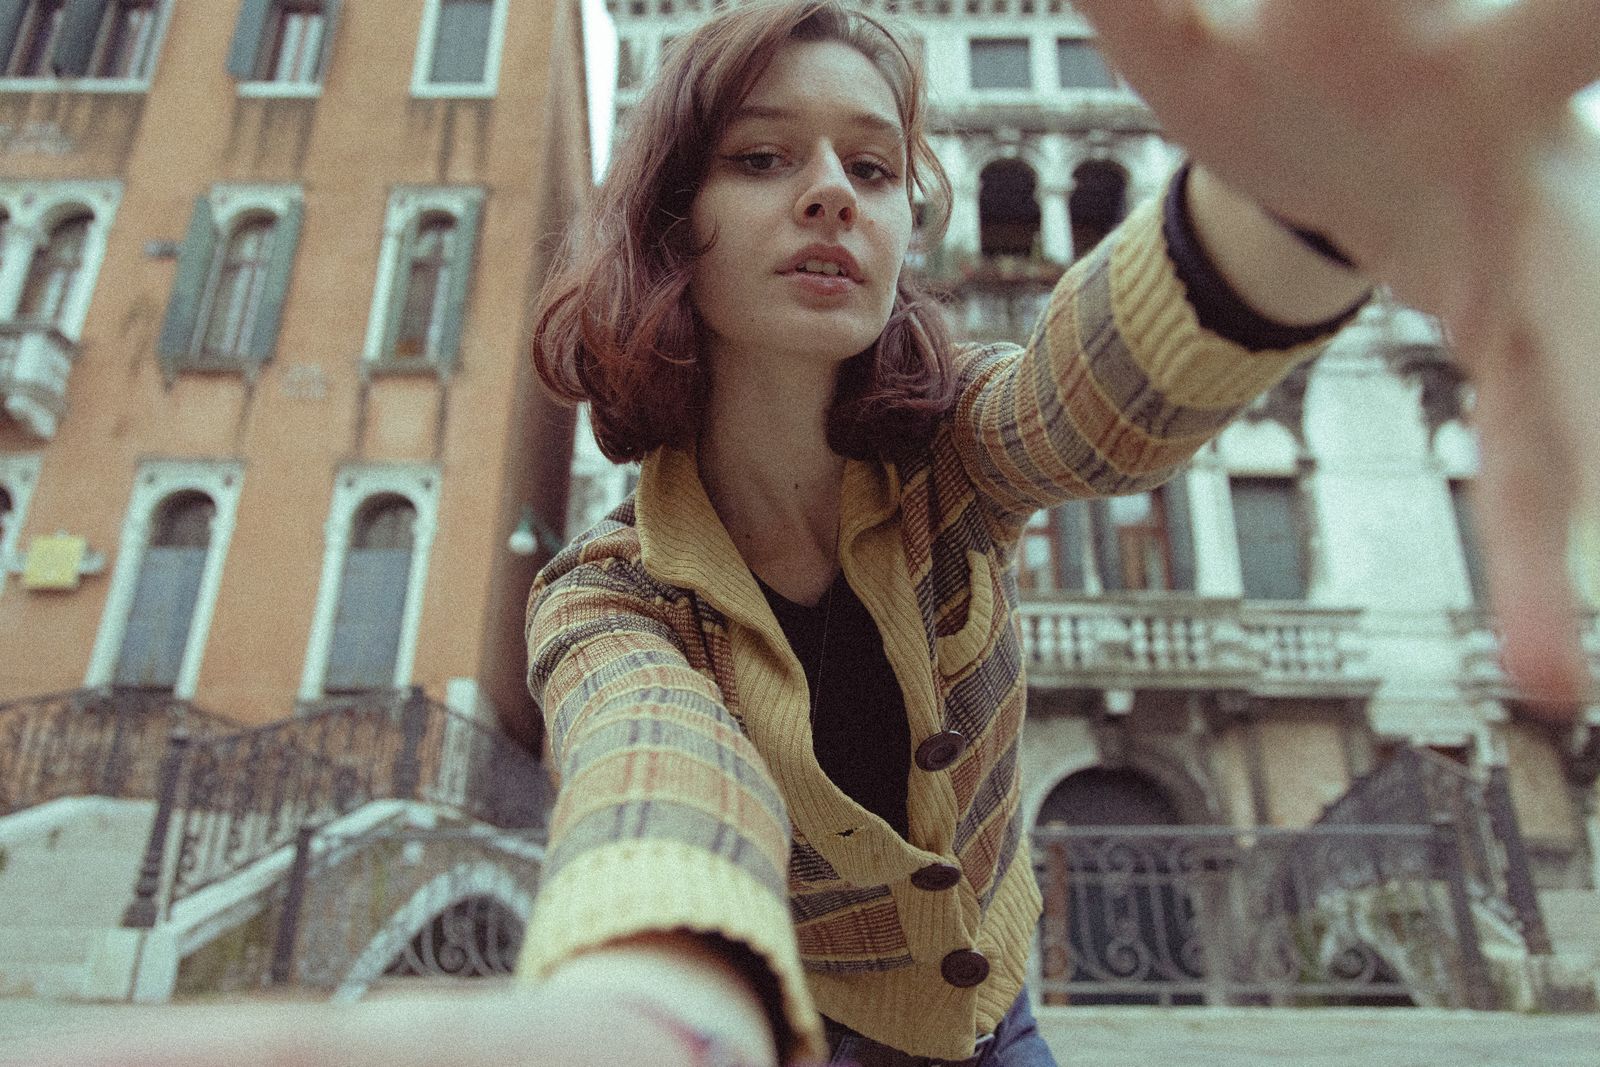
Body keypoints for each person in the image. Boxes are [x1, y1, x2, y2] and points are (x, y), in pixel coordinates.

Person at [14, 3, 1596, 1067]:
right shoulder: (608, 598)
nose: (832, 192)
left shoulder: (960, 453)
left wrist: (1304, 204)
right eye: (764, 158)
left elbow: (1092, 393)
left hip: (1004, 1029)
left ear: (908, 223)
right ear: (671, 228)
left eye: (873, 166)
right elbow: (656, 778)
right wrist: (646, 1015)